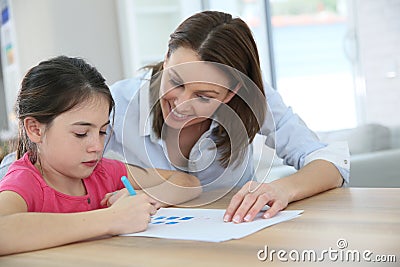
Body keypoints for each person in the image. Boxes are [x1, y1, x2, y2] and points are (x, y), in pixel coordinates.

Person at [105, 11, 350, 223]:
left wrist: (281, 189)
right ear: (166, 58)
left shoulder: (253, 100)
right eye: (175, 82)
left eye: (203, 96)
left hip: (236, 238)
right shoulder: (120, 102)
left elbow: (328, 162)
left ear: (232, 92)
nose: (181, 104)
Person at [0, 56, 201, 256]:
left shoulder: (104, 172)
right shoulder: (25, 182)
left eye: (103, 132)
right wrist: (113, 218)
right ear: (35, 129)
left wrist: (147, 198)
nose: (97, 146)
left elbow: (188, 182)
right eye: (81, 133)